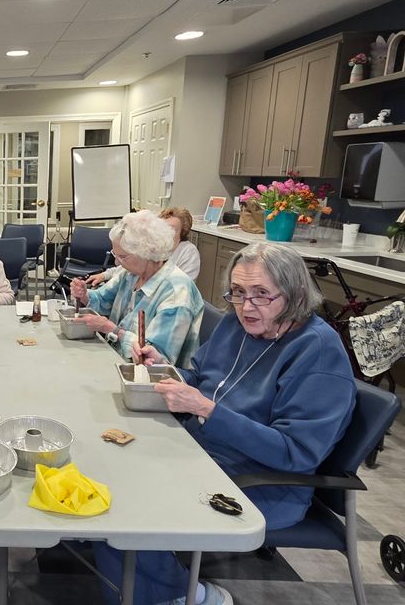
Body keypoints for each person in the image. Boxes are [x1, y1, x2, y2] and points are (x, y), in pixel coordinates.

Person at [94, 242, 356, 605]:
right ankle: (128, 574)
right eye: (237, 292)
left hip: (264, 483)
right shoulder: (237, 323)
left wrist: (208, 410)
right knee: (102, 470)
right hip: (203, 452)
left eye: (261, 294)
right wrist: (165, 368)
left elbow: (296, 452)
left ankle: (188, 596)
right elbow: (200, 376)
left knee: (126, 506)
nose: (246, 306)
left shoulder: (318, 352)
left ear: (294, 294)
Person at [70, 209, 203, 367]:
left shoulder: (177, 292)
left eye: (123, 256)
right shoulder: (130, 274)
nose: (117, 263)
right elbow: (102, 300)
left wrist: (113, 330)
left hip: (153, 381)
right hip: (116, 359)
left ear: (149, 252)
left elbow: (156, 358)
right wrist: (84, 295)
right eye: (115, 254)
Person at [85, 207, 200, 286]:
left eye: (172, 229)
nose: (165, 231)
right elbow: (127, 266)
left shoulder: (188, 252)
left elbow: (183, 286)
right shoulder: (151, 248)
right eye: (163, 227)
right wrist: (104, 275)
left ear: (182, 232)